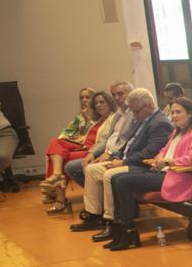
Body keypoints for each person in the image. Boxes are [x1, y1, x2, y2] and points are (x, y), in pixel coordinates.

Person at [106, 98, 192, 251]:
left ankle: (129, 231)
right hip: (163, 172)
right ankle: (120, 228)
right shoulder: (177, 131)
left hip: (178, 176)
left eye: (178, 112)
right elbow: (164, 151)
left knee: (123, 182)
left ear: (190, 114)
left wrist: (168, 163)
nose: (174, 115)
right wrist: (156, 160)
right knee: (115, 178)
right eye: (172, 112)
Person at [72, 88, 172, 239]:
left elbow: (150, 153)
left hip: (141, 165)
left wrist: (123, 162)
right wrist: (113, 156)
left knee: (109, 175)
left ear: (148, 105)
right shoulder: (142, 119)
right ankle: (94, 215)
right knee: (92, 170)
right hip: (127, 160)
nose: (134, 115)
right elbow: (126, 145)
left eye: (136, 111)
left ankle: (112, 221)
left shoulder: (160, 123)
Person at [41, 89, 110, 210]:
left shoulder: (104, 117)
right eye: (82, 98)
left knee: (58, 157)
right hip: (80, 145)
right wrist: (76, 137)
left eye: (88, 97)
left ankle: (60, 197)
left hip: (91, 149)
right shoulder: (81, 116)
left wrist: (88, 120)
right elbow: (65, 133)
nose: (85, 100)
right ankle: (57, 176)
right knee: (55, 144)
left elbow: (102, 139)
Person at [64, 81, 133, 194]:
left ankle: (100, 199)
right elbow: (106, 138)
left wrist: (109, 153)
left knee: (83, 167)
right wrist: (92, 153)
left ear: (130, 94)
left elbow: (125, 139)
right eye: (114, 94)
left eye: (120, 94)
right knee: (70, 165)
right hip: (104, 151)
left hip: (118, 154)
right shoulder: (118, 114)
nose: (116, 98)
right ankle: (99, 197)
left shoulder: (133, 114)